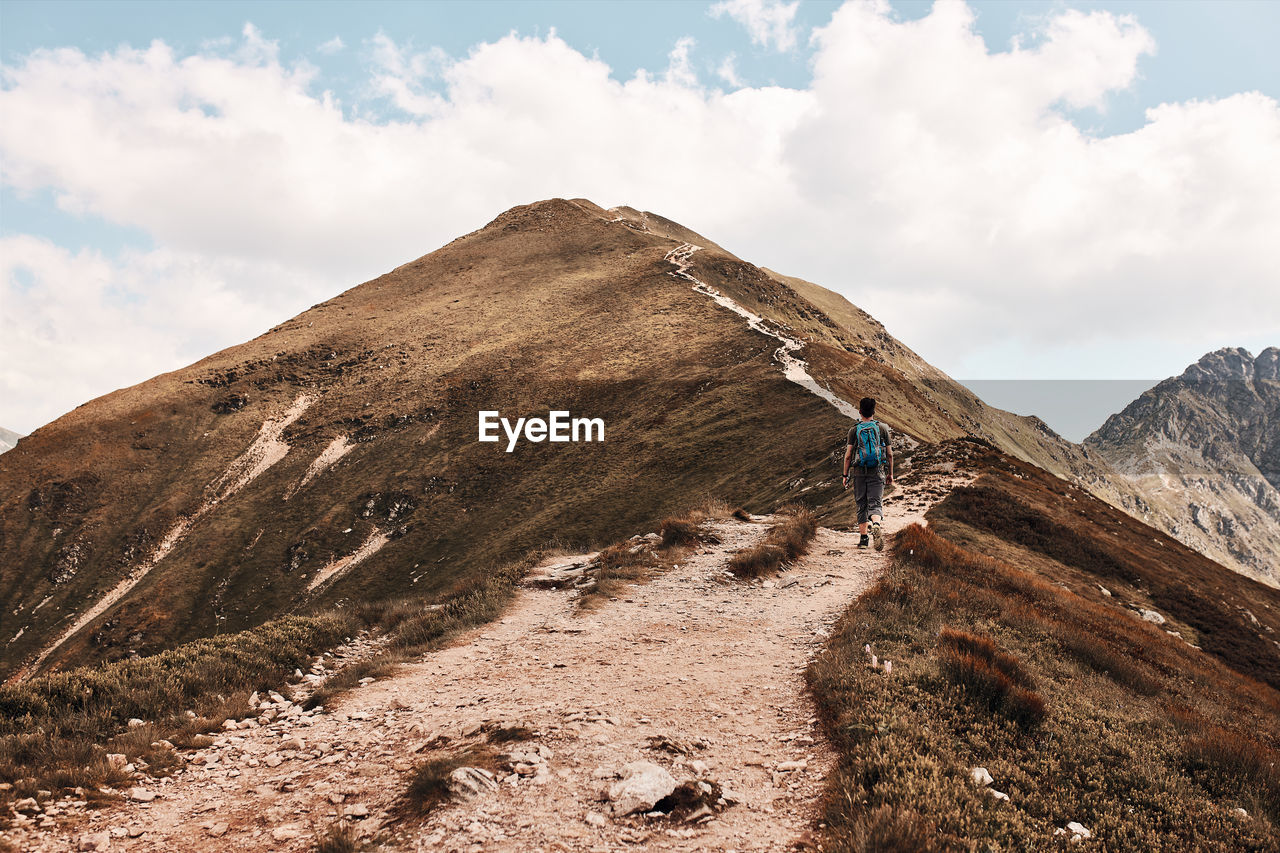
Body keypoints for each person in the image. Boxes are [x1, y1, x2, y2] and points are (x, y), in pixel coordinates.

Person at [842, 397, 894, 550]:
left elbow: (848, 455)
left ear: (860, 411)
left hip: (859, 472)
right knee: (875, 503)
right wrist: (890, 473)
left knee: (861, 504)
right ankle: (876, 524)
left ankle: (864, 539)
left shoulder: (854, 430)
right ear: (874, 411)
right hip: (877, 471)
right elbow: (890, 454)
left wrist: (845, 475)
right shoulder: (882, 428)